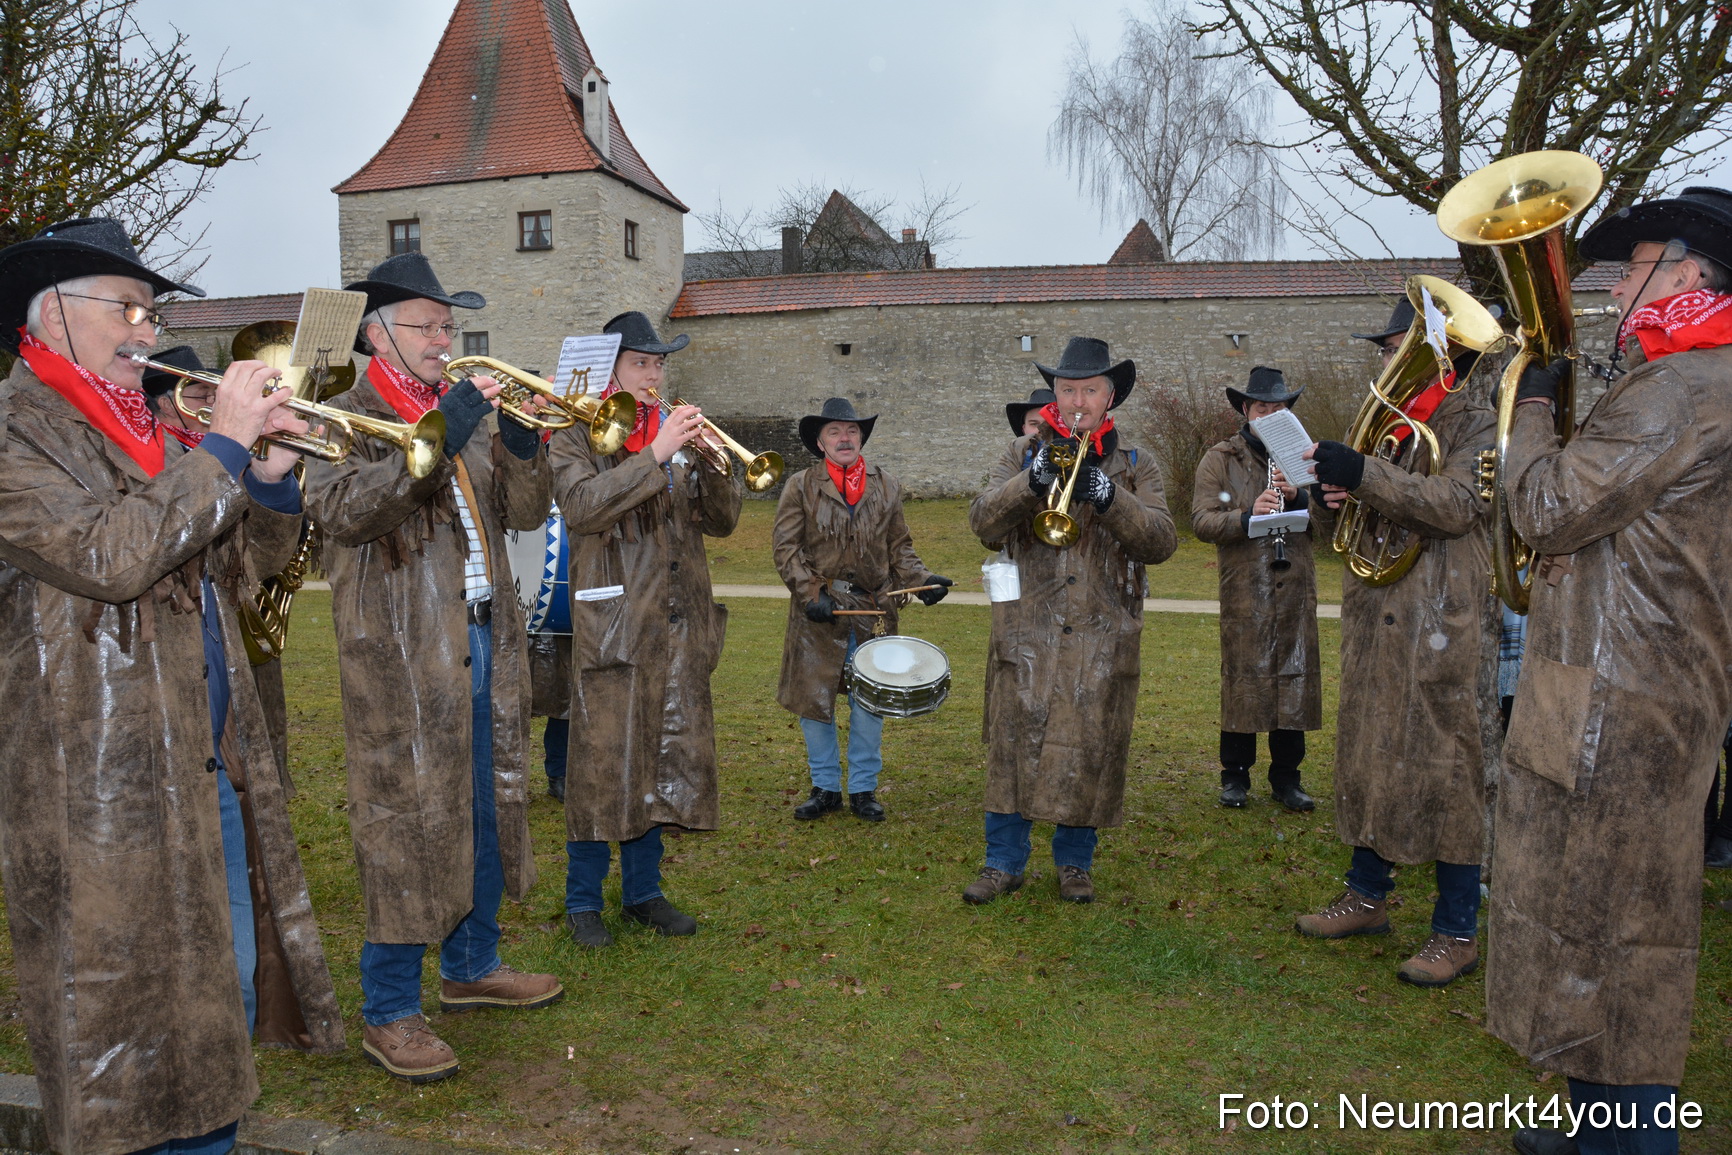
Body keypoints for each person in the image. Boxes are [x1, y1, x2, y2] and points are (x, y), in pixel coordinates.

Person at [0, 218, 342, 1155]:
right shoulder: (14, 434)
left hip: (200, 773)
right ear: (55, 313)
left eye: (152, 310)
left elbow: (241, 575)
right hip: (95, 796)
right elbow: (108, 556)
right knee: (119, 1048)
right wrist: (223, 450)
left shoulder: (149, 429)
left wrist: (266, 480)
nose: (147, 330)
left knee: (211, 1022)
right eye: (129, 308)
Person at [1488, 187, 1732, 1155]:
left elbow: (1545, 508)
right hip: (1629, 685)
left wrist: (1534, 408)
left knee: (1623, 937)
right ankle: (1596, 1130)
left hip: (1624, 700)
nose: (1617, 283)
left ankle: (1628, 1143)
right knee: (1598, 922)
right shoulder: (1681, 375)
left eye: (1633, 266)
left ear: (1685, 273)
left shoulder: (1683, 387)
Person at [304, 252, 562, 1085]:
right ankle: (388, 1009)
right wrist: (445, 428)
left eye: (449, 325)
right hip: (401, 656)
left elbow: (523, 513)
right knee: (407, 825)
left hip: (487, 638)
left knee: (486, 803)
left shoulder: (461, 415)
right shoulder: (340, 413)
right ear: (377, 331)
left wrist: (521, 445)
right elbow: (345, 510)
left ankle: (471, 963)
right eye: (428, 324)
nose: (444, 338)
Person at [1295, 298, 1498, 989]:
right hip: (1379, 613)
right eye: (1388, 350)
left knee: (1450, 770)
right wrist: (1342, 500)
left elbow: (1457, 506)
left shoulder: (1476, 422)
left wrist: (1365, 478)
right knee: (1370, 753)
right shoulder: (1397, 426)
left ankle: (1456, 930)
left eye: (1395, 349)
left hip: (1440, 617)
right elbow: (1380, 508)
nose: (1386, 362)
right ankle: (1366, 894)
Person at [550, 310, 742, 948]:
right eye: (642, 362)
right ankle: (582, 903)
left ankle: (644, 893)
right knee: (603, 761)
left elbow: (722, 521)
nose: (654, 373)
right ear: (610, 368)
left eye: (659, 362)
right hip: (614, 622)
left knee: (661, 753)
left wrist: (714, 465)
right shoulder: (574, 429)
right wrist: (656, 456)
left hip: (679, 623)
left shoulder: (674, 431)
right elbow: (581, 509)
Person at [965, 337, 1176, 904]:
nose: (1077, 400)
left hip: (1102, 634)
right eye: (1067, 389)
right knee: (1013, 746)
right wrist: (1031, 483)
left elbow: (1161, 542)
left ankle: (1074, 864)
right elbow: (983, 523)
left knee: (1089, 746)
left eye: (1089, 390)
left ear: (1110, 397)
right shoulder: (1020, 453)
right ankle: (1002, 862)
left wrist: (1110, 497)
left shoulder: (1136, 464)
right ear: (1053, 395)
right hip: (1027, 628)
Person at [773, 397, 953, 822]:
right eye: (834, 431)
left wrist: (920, 581)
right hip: (820, 612)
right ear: (820, 442)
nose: (844, 438)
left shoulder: (886, 485)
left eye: (851, 431)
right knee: (814, 702)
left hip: (873, 613)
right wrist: (809, 592)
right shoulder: (800, 485)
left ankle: (863, 789)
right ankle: (825, 788)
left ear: (861, 438)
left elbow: (899, 548)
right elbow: (786, 549)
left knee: (870, 701)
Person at [144, 346, 297, 795]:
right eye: (199, 393)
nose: (213, 403)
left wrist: (272, 481)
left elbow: (261, 561)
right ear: (166, 402)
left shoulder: (228, 464)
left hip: (229, 668)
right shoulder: (168, 461)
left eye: (217, 392)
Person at [1190, 366, 1322, 812]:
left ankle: (1287, 778)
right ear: (1246, 411)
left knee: (1293, 678)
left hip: (1295, 587)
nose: (1270, 414)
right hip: (1245, 587)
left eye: (1279, 407)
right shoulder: (1219, 458)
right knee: (1243, 680)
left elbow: (1337, 519)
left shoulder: (1308, 456)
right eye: (1262, 407)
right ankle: (1235, 776)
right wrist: (1248, 516)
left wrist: (1301, 498)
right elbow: (1201, 521)